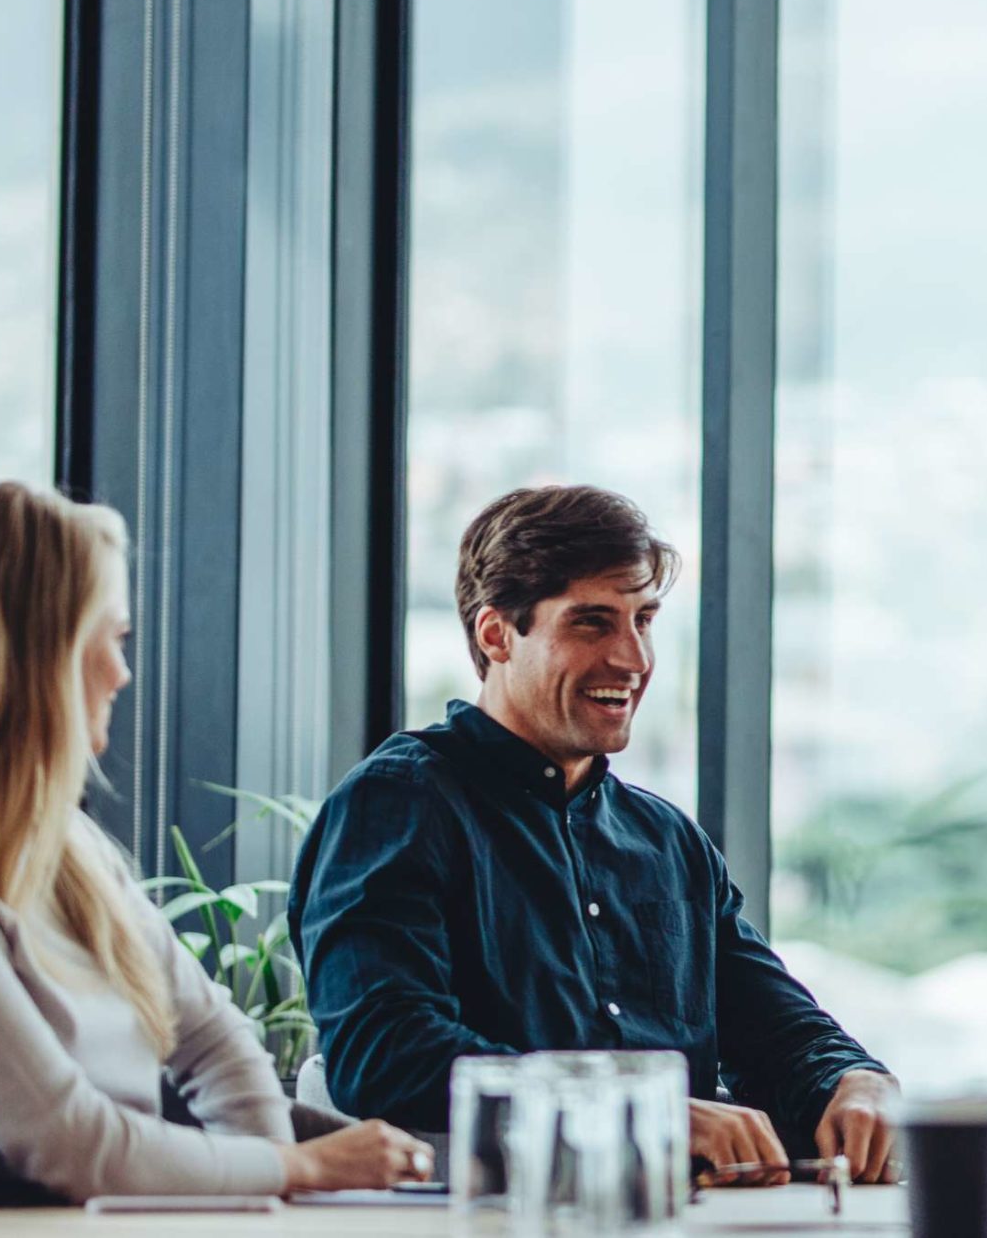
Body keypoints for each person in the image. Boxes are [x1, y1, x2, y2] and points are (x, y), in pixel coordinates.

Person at [0, 482, 430, 1201]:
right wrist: (298, 1166)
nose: (123, 671)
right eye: (112, 638)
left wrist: (265, 1192)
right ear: (36, 659)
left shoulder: (64, 845)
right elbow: (68, 1143)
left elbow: (212, 1038)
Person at [291, 485, 897, 1184]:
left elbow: (776, 1027)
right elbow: (386, 1054)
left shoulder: (668, 841)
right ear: (496, 634)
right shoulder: (397, 803)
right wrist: (642, 1111)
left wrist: (854, 1078)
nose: (633, 658)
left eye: (644, 620)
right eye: (592, 623)